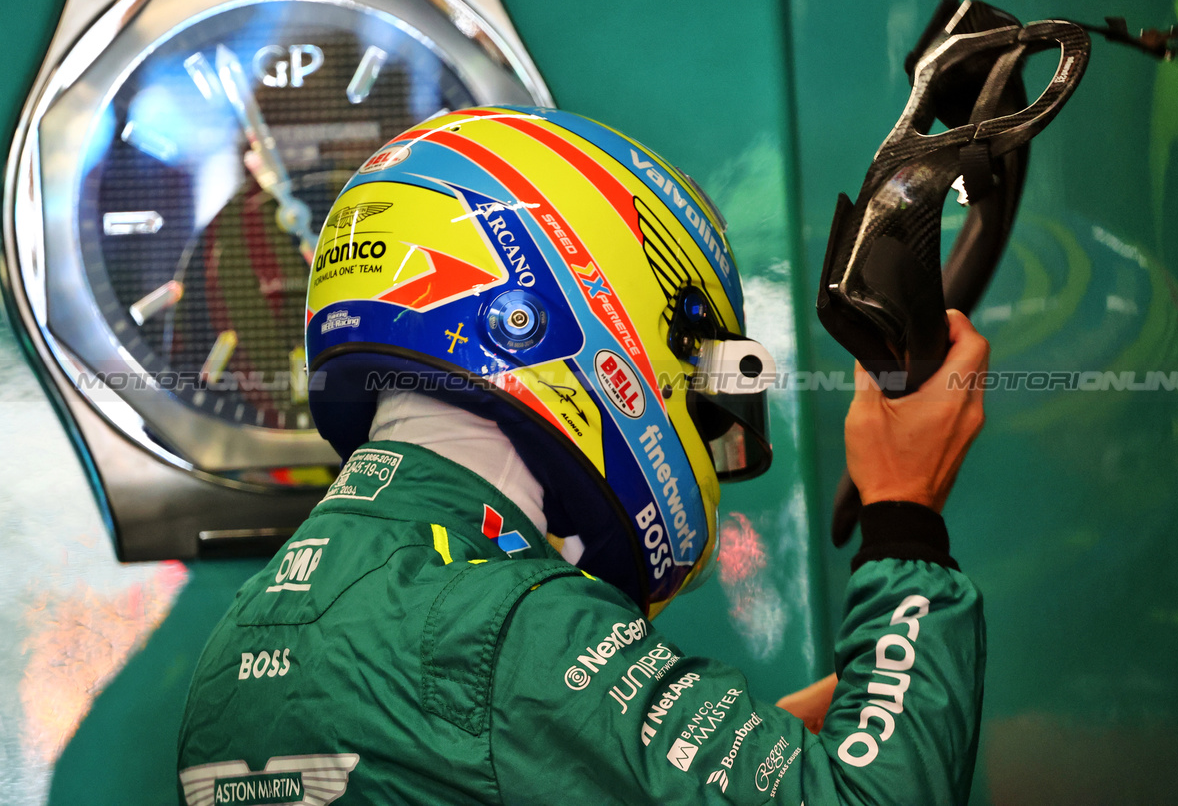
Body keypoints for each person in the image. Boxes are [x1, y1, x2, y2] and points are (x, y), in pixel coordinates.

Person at [177, 107, 989, 805]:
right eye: (696, 359)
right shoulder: (495, 626)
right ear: (553, 311)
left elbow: (528, 750)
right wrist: (903, 512)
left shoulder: (255, 628)